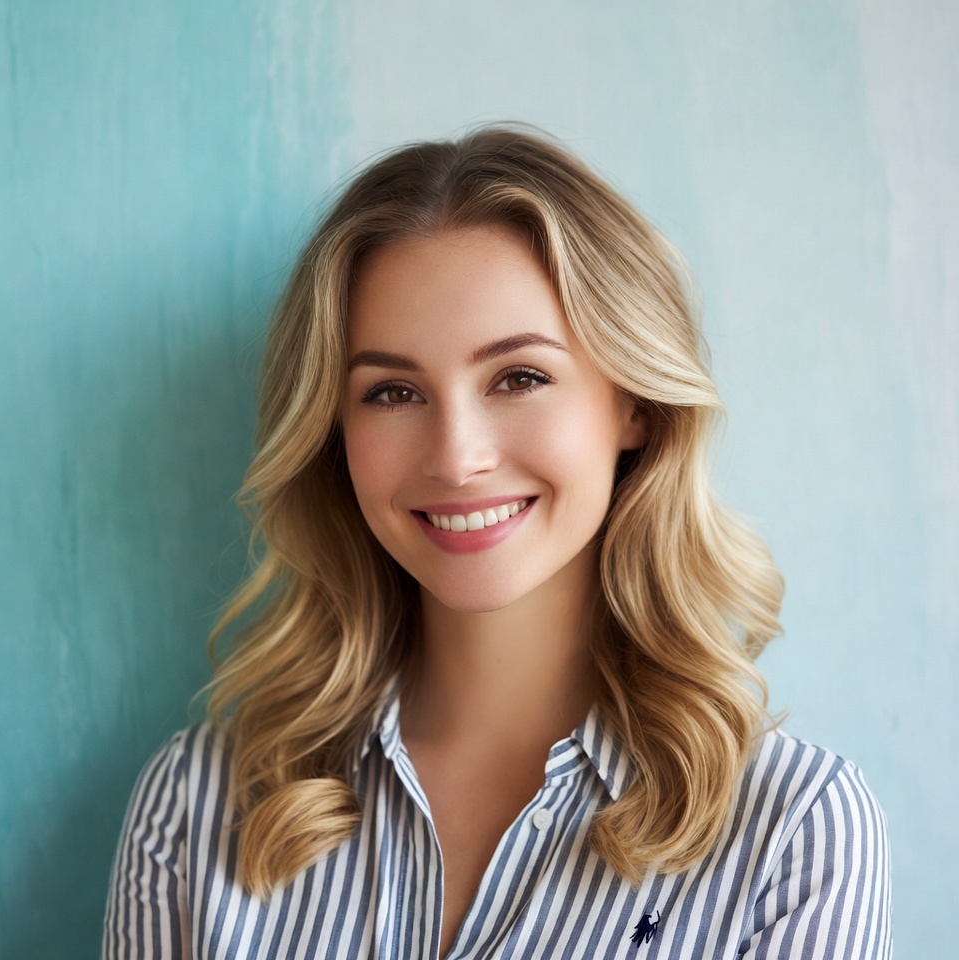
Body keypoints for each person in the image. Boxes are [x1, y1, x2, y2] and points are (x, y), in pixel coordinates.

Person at [102, 126, 891, 959]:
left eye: (519, 377)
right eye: (394, 392)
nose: (457, 456)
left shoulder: (795, 835)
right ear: (333, 432)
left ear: (635, 403)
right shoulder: (196, 807)